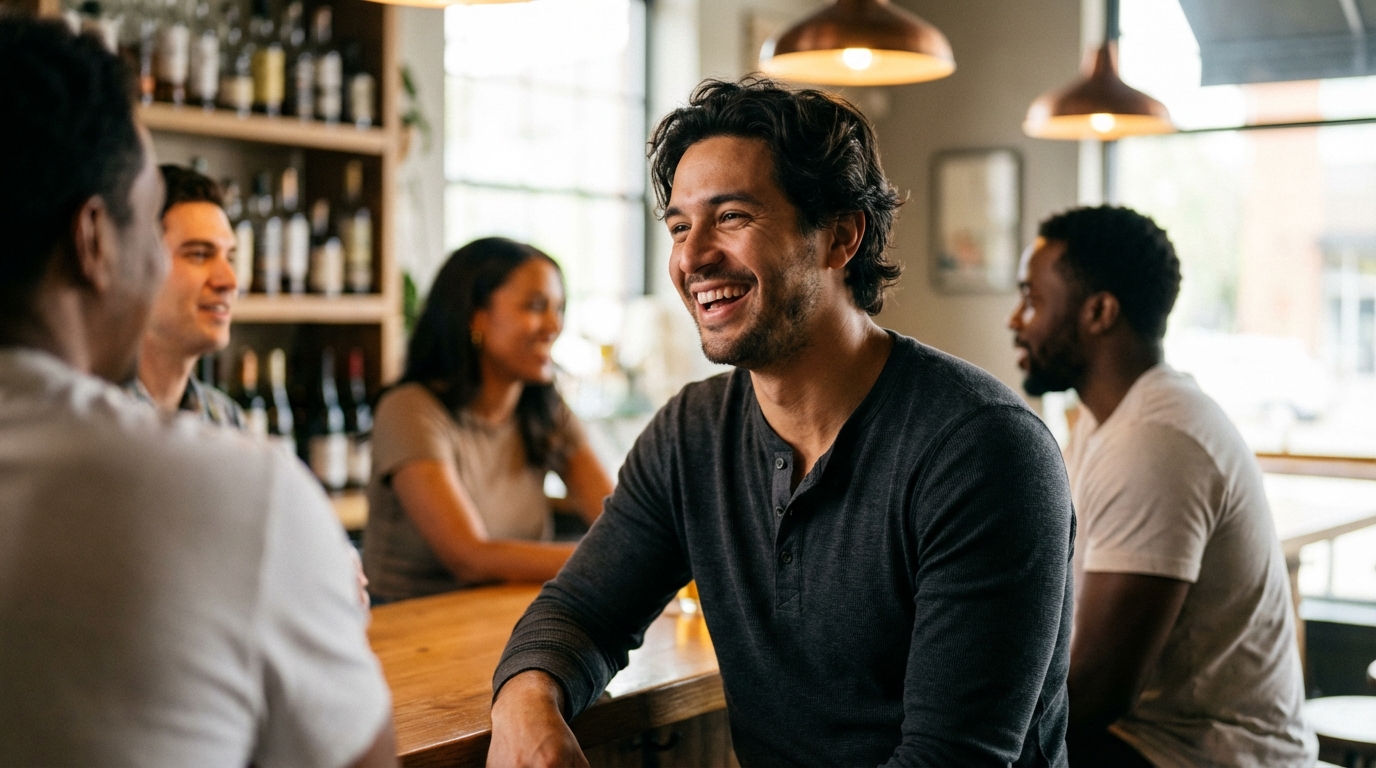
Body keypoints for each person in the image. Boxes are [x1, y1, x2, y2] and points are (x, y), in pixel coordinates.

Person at [488, 78, 1075, 767]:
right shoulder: (692, 435)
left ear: (840, 237)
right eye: (679, 225)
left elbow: (950, 761)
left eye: (731, 216)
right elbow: (580, 612)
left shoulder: (983, 451)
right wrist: (528, 707)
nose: (691, 257)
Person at [0, 18, 395, 767]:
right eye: (157, 238)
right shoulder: (236, 492)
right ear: (94, 241)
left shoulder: (232, 444)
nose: (225, 278)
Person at [1007, 205, 1316, 767]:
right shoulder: (1105, 425)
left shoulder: (1155, 440)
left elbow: (1095, 692)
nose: (1015, 320)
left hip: (1201, 755)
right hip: (1148, 739)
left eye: (1032, 298)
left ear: (1099, 312)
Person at [361, 237, 613, 603]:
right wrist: (613, 558)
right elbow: (471, 557)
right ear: (475, 317)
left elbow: (619, 520)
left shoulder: (545, 411)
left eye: (558, 309)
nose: (553, 326)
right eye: (535, 306)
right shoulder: (410, 409)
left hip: (509, 625)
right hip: (411, 637)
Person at [125, 164, 243, 426]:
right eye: (199, 254)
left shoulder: (226, 419)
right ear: (137, 265)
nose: (229, 282)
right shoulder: (89, 421)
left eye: (230, 258)